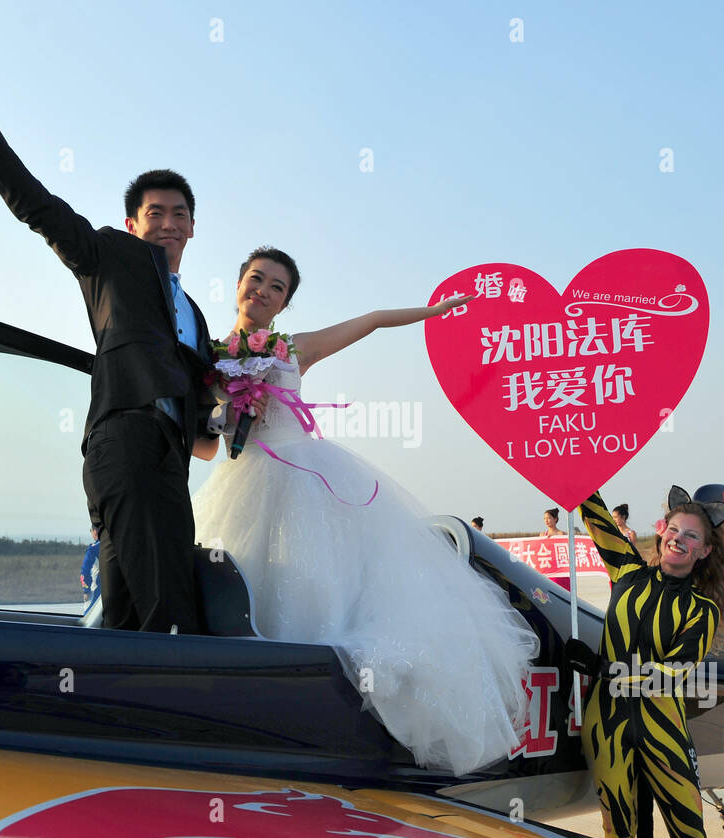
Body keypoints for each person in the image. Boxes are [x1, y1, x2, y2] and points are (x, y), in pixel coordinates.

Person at [192, 247, 539, 777]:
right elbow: (204, 445)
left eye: (276, 287)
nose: (262, 290)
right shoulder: (208, 357)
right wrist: (225, 412)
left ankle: (321, 720)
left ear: (284, 305)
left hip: (305, 478)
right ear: (238, 283)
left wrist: (435, 312)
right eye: (256, 279)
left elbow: (373, 321)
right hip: (244, 480)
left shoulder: (293, 348)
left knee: (321, 590)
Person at [0, 51, 219, 634]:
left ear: (192, 227)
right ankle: (172, 712)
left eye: (180, 214)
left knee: (130, 608)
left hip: (166, 459)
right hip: (126, 435)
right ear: (133, 224)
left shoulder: (197, 317)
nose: (168, 222)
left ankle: (111, 715)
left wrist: (236, 414)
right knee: (168, 609)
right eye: (154, 213)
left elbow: (204, 419)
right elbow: (39, 208)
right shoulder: (109, 256)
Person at [567, 486, 724, 838]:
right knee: (616, 832)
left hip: (662, 725)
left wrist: (603, 669)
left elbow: (675, 670)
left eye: (691, 535)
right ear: (662, 530)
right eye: (674, 529)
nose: (678, 539)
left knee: (690, 833)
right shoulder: (627, 572)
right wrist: (578, 472)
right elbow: (595, 516)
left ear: (705, 550)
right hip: (607, 724)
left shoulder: (701, 610)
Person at [80, 525, 100, 604]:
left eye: (90, 530)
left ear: (95, 531)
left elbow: (84, 572)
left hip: (95, 592)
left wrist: (86, 590)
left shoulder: (92, 549)